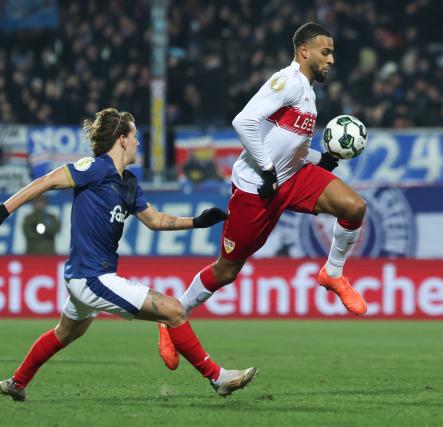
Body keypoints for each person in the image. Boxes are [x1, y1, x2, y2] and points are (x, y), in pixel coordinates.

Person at [0, 107, 257, 401]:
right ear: (121, 139)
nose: (138, 142)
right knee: (174, 310)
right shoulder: (96, 168)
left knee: (65, 334)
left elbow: (155, 220)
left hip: (87, 276)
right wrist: (2, 211)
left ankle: (17, 382)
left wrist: (196, 222)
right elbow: (48, 180)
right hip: (92, 277)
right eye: (134, 136)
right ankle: (218, 377)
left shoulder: (128, 183)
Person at [158, 22, 368, 369]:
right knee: (226, 271)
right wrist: (268, 171)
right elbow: (244, 122)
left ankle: (333, 273)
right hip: (257, 190)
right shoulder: (286, 82)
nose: (331, 60)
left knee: (354, 207)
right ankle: (172, 317)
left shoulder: (309, 93)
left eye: (332, 53)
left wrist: (321, 159)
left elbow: (291, 150)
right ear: (305, 51)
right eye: (325, 52)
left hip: (293, 178)